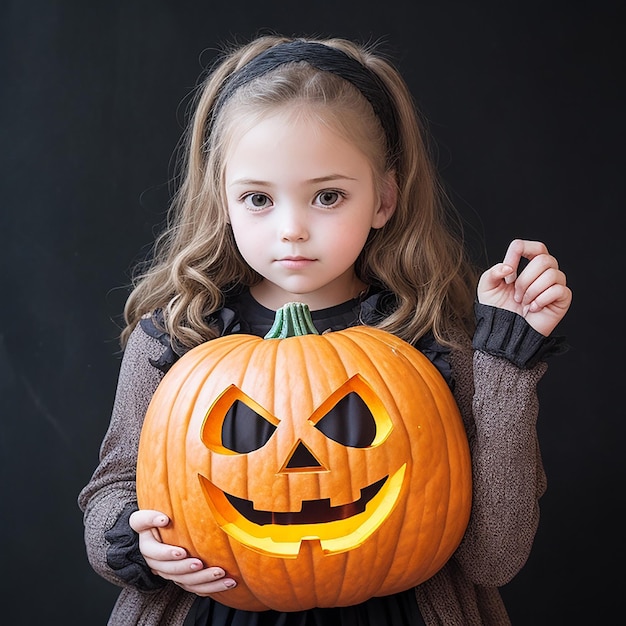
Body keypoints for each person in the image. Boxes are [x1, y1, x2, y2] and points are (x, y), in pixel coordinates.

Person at [78, 34, 572, 626]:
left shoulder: (432, 337)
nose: (293, 229)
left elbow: (496, 556)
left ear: (384, 199)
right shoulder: (178, 336)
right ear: (223, 200)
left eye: (328, 196)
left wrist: (507, 362)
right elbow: (108, 496)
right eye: (259, 198)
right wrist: (139, 545)